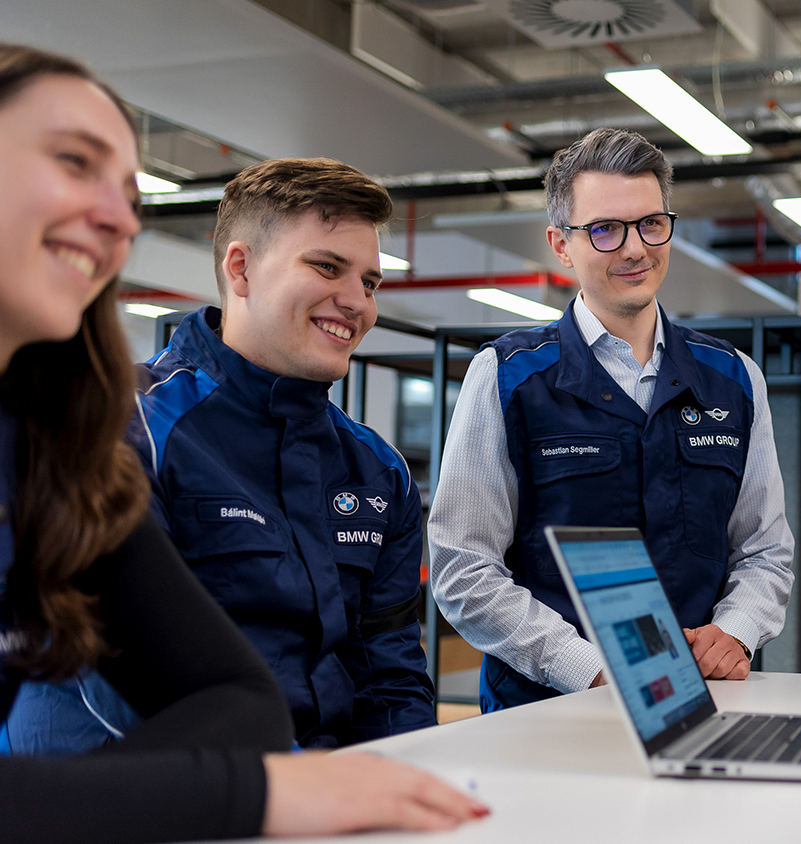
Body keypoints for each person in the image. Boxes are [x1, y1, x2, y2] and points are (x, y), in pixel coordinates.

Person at [0, 42, 483, 841]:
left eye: (370, 281)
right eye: (74, 162)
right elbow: (107, 699)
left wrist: (391, 795)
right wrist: (264, 796)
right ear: (241, 268)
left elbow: (317, 682)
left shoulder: (49, 437)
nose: (123, 217)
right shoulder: (134, 432)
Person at [5, 157, 435, 753]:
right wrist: (291, 788)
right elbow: (102, 683)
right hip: (136, 796)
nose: (356, 302)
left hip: (313, 794)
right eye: (327, 267)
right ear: (242, 268)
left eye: (368, 282)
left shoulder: (377, 472)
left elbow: (388, 678)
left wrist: (412, 780)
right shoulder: (120, 427)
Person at [428, 128, 795, 710]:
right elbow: (464, 568)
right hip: (545, 713)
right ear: (560, 243)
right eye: (604, 229)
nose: (634, 249)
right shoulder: (506, 377)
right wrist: (592, 668)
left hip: (704, 704)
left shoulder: (734, 379)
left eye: (651, 223)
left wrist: (738, 631)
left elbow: (763, 550)